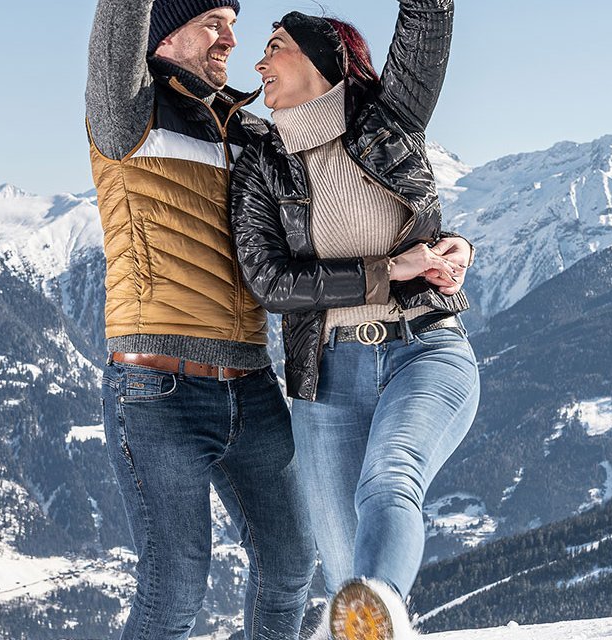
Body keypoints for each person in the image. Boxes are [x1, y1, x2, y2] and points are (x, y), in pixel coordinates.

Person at [227, 2, 475, 638]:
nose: (259, 62)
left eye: (275, 46)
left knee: (389, 479)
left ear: (322, 59)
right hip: (328, 374)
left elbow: (427, 23)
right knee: (346, 577)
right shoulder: (261, 163)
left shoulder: (390, 119)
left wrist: (451, 251)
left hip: (423, 346)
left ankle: (380, 608)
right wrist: (386, 269)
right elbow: (271, 281)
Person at [85, 1, 312, 638]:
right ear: (165, 32)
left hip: (253, 385)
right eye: (215, 21)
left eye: (234, 24)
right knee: (176, 590)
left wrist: (433, 243)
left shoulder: (254, 132)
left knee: (291, 565)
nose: (231, 40)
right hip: (159, 392)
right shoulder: (128, 110)